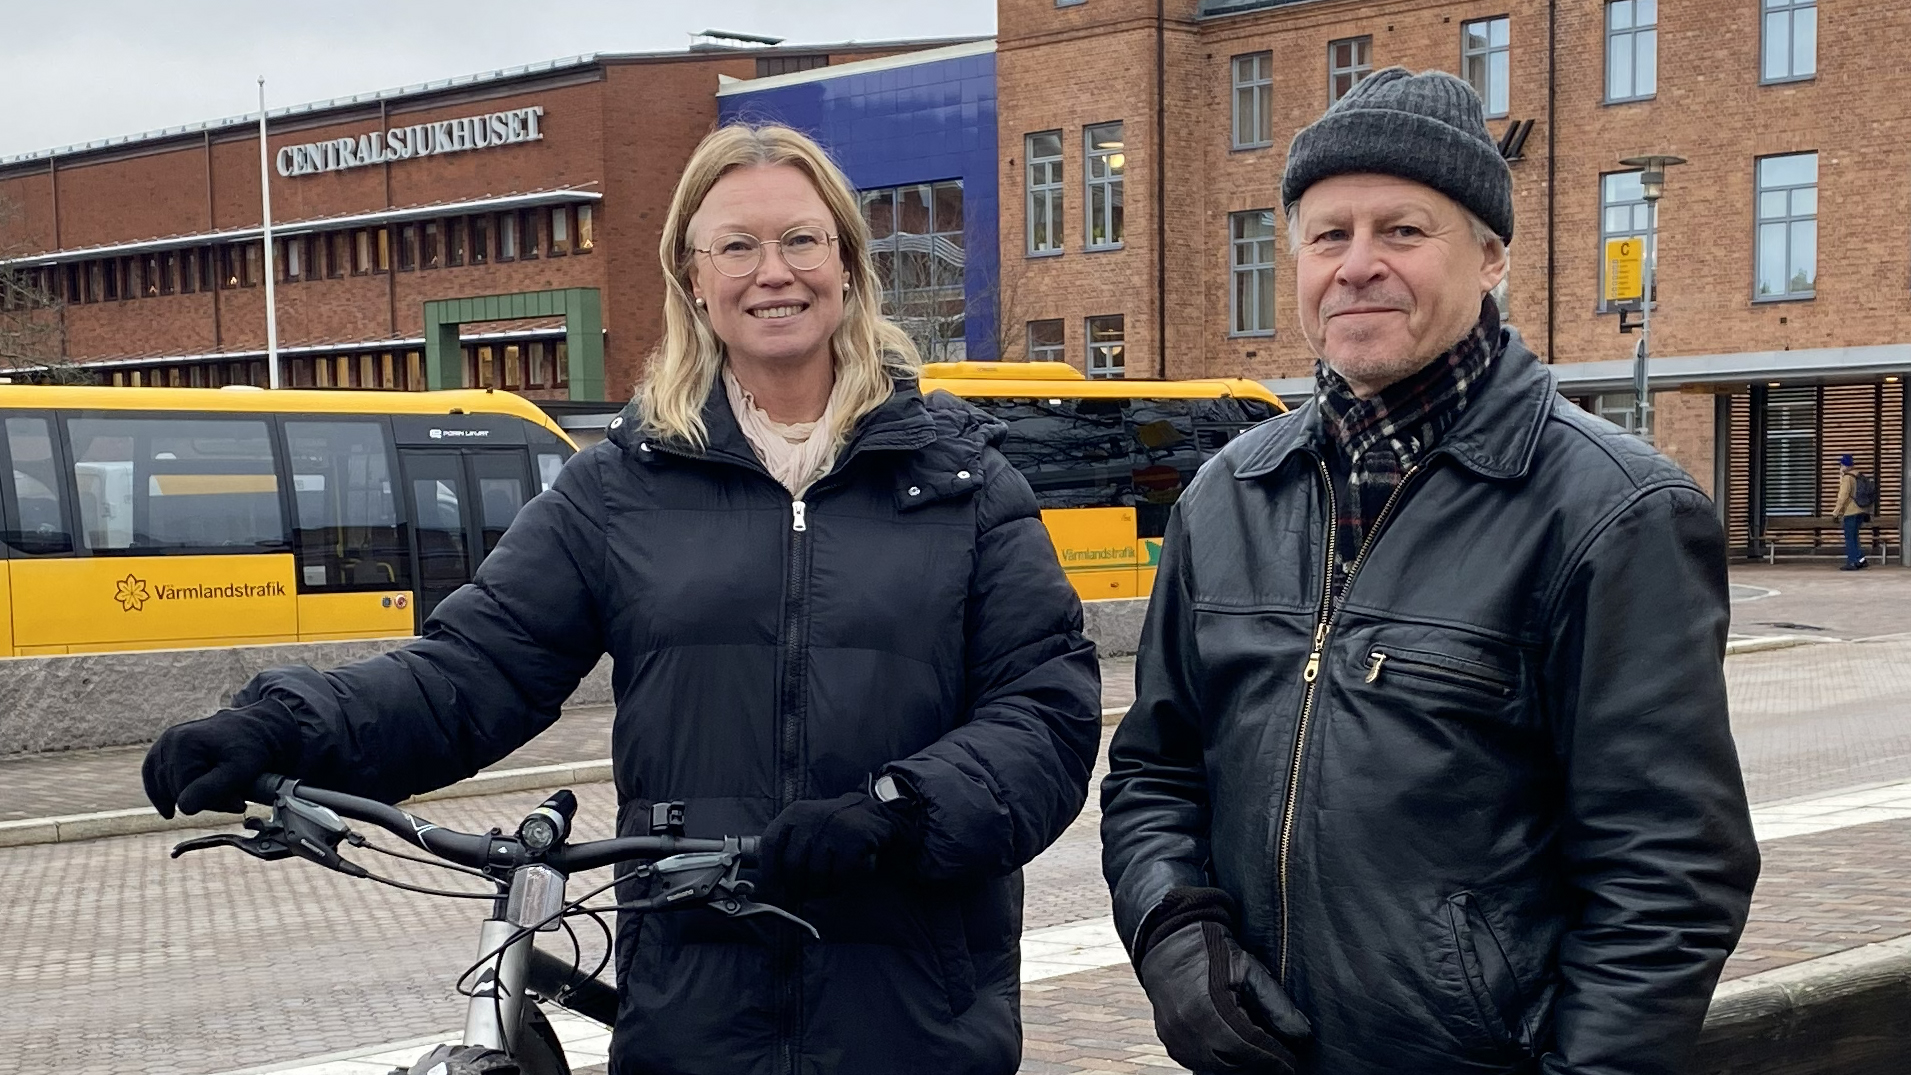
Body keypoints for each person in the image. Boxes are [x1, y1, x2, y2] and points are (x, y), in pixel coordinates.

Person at [144, 123, 1102, 1075]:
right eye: (736, 245)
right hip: (695, 1007)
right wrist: (284, 729)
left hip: (914, 1011)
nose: (774, 272)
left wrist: (899, 809)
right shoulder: (619, 488)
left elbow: (1045, 712)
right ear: (694, 278)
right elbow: (473, 669)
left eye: (801, 240)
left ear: (847, 265)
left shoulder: (962, 481)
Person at [1101, 69, 1760, 1075]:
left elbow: (1666, 875)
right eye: (1330, 235)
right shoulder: (1227, 497)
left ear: (1491, 254)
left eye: (1402, 231)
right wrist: (1173, 936)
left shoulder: (1614, 512)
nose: (1359, 265)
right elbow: (1155, 770)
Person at [1831, 453, 1871, 570]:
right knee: (1855, 536)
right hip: (1861, 510)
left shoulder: (1847, 478)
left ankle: (1852, 562)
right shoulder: (1858, 475)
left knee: (1850, 537)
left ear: (1843, 465)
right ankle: (1861, 559)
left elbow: (1843, 496)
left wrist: (1836, 512)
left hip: (1851, 511)